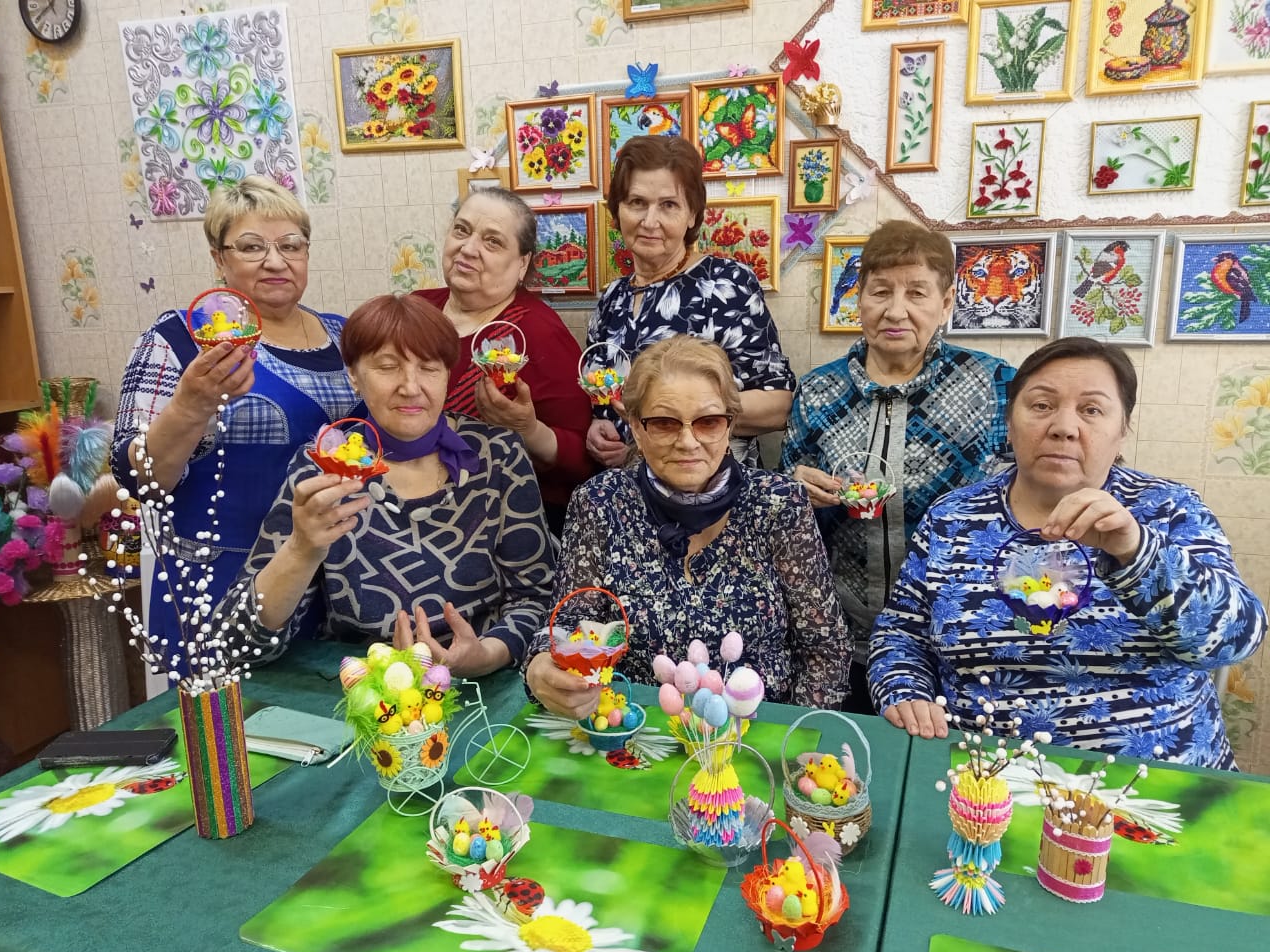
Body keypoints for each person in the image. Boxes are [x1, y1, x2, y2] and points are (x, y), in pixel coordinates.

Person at [868, 337, 1266, 768]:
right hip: (984, 777)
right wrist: (904, 691)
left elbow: (1235, 640)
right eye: (1041, 405)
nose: (1064, 427)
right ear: (1009, 422)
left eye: (1091, 410)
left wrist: (1136, 551)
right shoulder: (953, 516)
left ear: (1122, 430)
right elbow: (901, 633)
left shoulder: (1168, 509)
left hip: (1149, 780)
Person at [215, 294, 555, 676]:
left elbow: (536, 596)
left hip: (485, 684)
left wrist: (486, 656)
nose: (410, 387)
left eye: (429, 368)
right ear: (353, 376)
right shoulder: (323, 470)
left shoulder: (498, 455)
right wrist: (301, 549)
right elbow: (237, 646)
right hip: (361, 686)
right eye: (388, 366)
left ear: (448, 374)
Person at [524, 336, 849, 718]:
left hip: (755, 736)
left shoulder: (778, 503)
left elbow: (825, 649)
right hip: (632, 729)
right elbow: (565, 625)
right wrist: (540, 666)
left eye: (708, 422)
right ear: (636, 428)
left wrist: (791, 738)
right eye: (664, 423)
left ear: (730, 426)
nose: (688, 441)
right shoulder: (600, 502)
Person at [112, 176, 362, 666]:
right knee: (225, 716)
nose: (276, 261)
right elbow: (138, 478)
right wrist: (190, 407)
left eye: (291, 245)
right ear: (219, 257)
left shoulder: (344, 335)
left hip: (335, 584)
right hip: (218, 584)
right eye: (251, 247)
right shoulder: (180, 338)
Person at [780, 219, 1014, 712]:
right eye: (881, 291)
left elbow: (1034, 498)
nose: (896, 310)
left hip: (958, 641)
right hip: (838, 636)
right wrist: (794, 488)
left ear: (946, 304)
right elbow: (783, 517)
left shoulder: (995, 386)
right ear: (859, 298)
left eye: (917, 293)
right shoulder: (819, 390)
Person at [585, 136, 796, 471]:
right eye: (637, 202)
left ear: (692, 214)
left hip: (710, 488)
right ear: (618, 211)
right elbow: (605, 402)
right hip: (627, 492)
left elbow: (778, 406)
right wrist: (600, 427)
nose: (649, 221)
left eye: (668, 205)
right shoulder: (611, 299)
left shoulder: (727, 285)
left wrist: (666, 420)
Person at [413, 188, 593, 534]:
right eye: (462, 230)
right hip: (409, 511)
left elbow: (583, 459)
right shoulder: (417, 310)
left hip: (500, 525)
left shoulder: (539, 333)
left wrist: (528, 430)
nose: (468, 249)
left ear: (522, 263)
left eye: (492, 241)